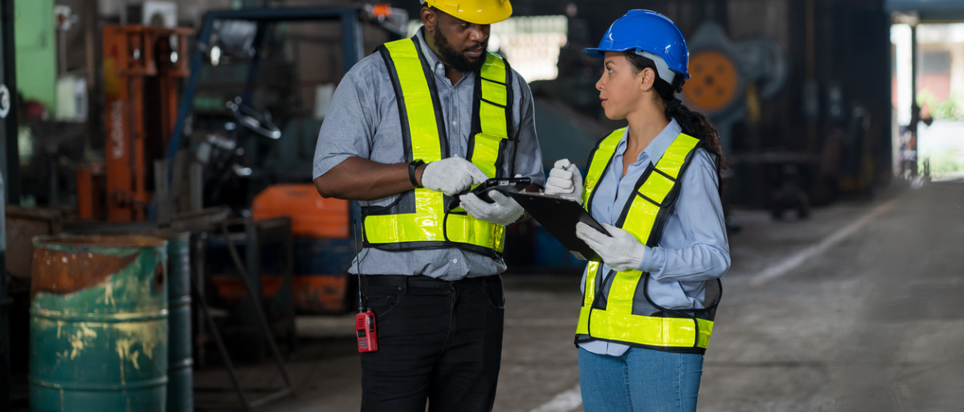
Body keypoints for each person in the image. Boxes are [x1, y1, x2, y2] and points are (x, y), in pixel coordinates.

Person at [312, 0, 543, 410]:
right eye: (465, 25)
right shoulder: (374, 77)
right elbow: (330, 175)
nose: (479, 35)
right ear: (430, 17)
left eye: (485, 25)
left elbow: (530, 185)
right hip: (399, 296)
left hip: (481, 297)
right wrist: (420, 174)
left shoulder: (511, 87)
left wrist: (519, 209)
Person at [543, 10, 730, 412]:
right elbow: (593, 250)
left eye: (611, 70)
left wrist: (644, 258)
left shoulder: (689, 162)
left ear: (646, 78)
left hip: (663, 346)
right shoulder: (605, 151)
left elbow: (715, 257)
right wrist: (567, 208)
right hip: (596, 341)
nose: (599, 82)